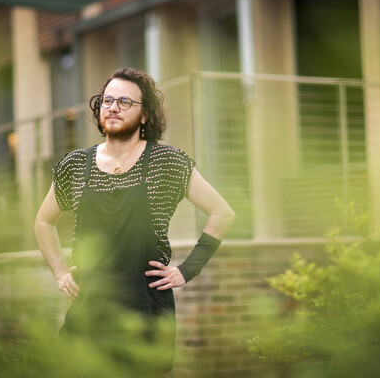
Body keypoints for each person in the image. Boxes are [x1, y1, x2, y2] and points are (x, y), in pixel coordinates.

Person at [34, 67, 235, 372]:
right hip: (88, 313)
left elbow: (222, 213)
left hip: (146, 314)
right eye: (107, 100)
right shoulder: (75, 165)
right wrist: (61, 272)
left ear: (145, 116)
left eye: (126, 102)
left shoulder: (166, 162)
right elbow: (43, 222)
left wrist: (186, 271)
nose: (113, 107)